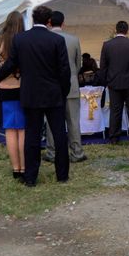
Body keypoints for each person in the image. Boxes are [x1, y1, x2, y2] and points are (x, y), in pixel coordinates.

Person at [0, 6, 71, 187]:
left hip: (30, 94)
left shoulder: (21, 39)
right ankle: (62, 175)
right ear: (49, 21)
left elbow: (12, 63)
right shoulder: (57, 40)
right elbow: (64, 70)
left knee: (32, 136)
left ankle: (30, 177)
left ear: (33, 19)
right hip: (54, 95)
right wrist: (64, 91)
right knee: (59, 135)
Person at [44, 11, 86, 163]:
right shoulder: (73, 40)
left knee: (51, 122)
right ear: (63, 23)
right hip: (71, 83)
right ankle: (77, 152)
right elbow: (78, 65)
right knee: (73, 121)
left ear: (49, 22)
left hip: (51, 86)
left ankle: (52, 152)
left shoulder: (45, 39)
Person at [0, 11, 26, 179]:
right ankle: (24, 166)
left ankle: (15, 168)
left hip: (3, 89)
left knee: (10, 130)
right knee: (22, 129)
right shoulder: (22, 42)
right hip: (20, 88)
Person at [98, 21, 129, 145]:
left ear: (116, 31)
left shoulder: (107, 45)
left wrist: (105, 81)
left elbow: (103, 66)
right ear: (127, 31)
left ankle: (113, 138)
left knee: (115, 111)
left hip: (113, 83)